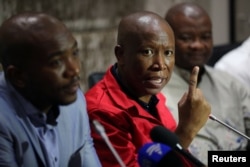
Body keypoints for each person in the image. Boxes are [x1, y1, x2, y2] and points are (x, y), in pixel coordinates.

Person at [85, 11, 211, 167]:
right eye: (148, 52)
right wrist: (187, 129)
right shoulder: (102, 112)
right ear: (121, 54)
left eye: (168, 53)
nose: (160, 64)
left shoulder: (149, 94)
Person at [0, 12, 101, 167]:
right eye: (56, 62)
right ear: (18, 76)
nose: (74, 70)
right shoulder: (3, 121)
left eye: (74, 53)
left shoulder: (74, 100)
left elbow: (85, 151)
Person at [162, 2, 250, 165]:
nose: (198, 45)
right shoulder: (154, 91)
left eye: (205, 37)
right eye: (187, 38)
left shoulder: (229, 83)